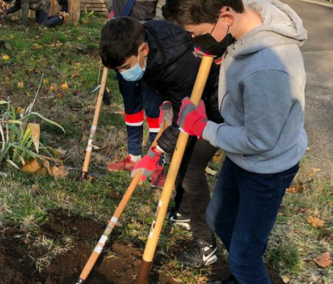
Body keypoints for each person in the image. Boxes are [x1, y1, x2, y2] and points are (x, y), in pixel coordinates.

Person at [162, 0, 308, 283]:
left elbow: (259, 141)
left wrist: (203, 127)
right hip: (241, 156)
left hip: (267, 168)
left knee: (244, 257)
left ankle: (246, 270)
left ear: (225, 16)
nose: (193, 40)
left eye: (194, 32)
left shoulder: (267, 68)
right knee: (219, 219)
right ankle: (244, 271)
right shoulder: (245, 22)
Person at [100, 17, 223, 267]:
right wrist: (167, 102)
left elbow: (185, 121)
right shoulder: (146, 39)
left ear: (143, 50)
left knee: (190, 168)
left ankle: (206, 245)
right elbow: (171, 97)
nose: (123, 73)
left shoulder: (178, 65)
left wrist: (155, 152)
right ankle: (183, 213)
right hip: (185, 100)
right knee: (180, 158)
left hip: (213, 109)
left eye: (125, 66)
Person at [105, 0, 164, 183]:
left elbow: (164, 5)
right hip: (122, 45)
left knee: (155, 109)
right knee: (131, 106)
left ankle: (156, 163)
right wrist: (113, 17)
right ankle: (133, 157)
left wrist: (155, 27)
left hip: (147, 44)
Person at [2, 0, 68, 27]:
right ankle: (56, 16)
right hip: (38, 5)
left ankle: (60, 18)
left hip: (44, 5)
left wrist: (22, 24)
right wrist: (6, 12)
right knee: (38, 21)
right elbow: (17, 6)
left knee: (43, 24)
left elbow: (25, 11)